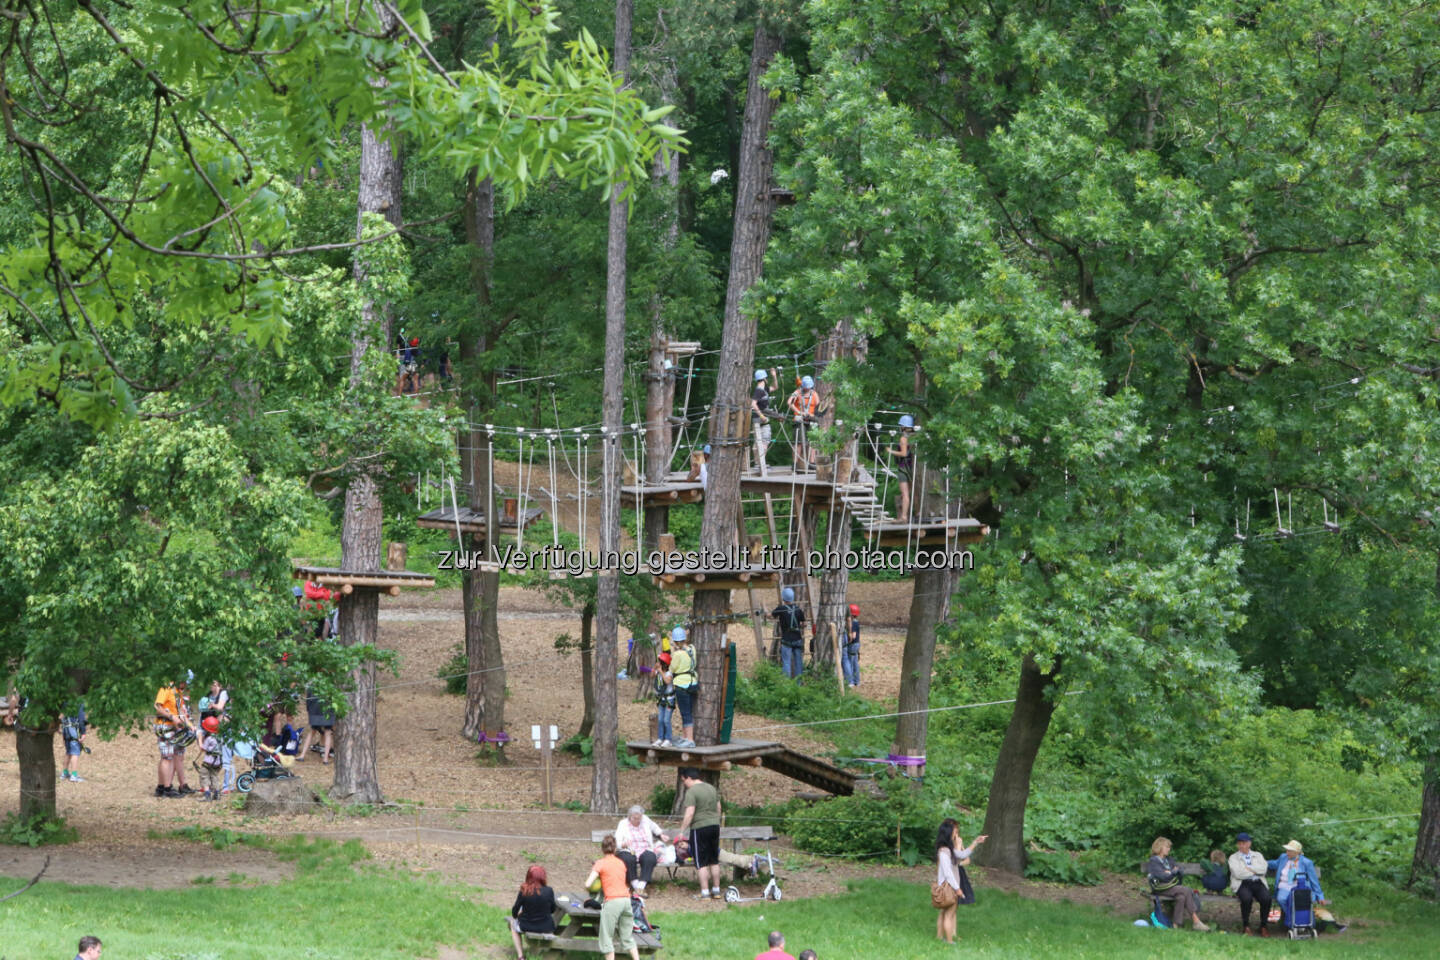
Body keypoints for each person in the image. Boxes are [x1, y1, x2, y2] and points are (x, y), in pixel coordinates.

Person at [585, 835, 640, 960]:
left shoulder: (600, 863)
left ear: (602, 849)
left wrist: (595, 884)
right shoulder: (621, 863)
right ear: (615, 849)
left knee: (606, 937)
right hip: (626, 900)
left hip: (613, 901)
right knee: (627, 937)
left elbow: (587, 884)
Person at [934, 818, 985, 943]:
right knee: (949, 914)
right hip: (948, 887)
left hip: (948, 886)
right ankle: (949, 941)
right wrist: (957, 889)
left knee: (944, 913)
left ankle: (940, 938)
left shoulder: (947, 850)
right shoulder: (944, 852)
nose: (956, 833)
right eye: (954, 831)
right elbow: (948, 874)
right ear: (948, 833)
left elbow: (962, 856)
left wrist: (976, 842)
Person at [677, 767, 722, 900]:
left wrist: (682, 831)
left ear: (689, 778)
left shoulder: (692, 792)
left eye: (684, 780)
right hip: (714, 826)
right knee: (714, 860)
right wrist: (715, 820)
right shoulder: (711, 788)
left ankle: (705, 892)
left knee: (701, 862)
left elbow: (690, 813)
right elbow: (718, 807)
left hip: (700, 828)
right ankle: (717, 890)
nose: (684, 783)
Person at [1146, 836, 1209, 931]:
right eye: (1166, 847)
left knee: (1182, 897)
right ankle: (1196, 921)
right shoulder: (1154, 860)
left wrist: (1170, 872)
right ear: (1159, 847)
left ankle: (1175, 925)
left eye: (1169, 847)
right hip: (1160, 888)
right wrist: (1171, 872)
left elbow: (1178, 872)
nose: (1169, 849)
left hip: (1172, 887)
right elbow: (1162, 877)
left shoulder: (1169, 860)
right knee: (1186, 890)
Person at [1268, 839, 1325, 930]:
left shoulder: (1306, 862)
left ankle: (1297, 922)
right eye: (1287, 850)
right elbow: (1274, 864)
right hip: (1285, 885)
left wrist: (1320, 896)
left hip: (1299, 887)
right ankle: (1296, 920)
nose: (1287, 852)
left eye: (1290, 851)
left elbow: (1314, 880)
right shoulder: (1283, 857)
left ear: (1297, 852)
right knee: (1281, 898)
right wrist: (1260, 862)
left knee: (1298, 901)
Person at [154, 679, 195, 798]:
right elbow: (158, 706)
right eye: (184, 682)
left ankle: (161, 787)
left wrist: (190, 726)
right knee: (167, 757)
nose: (185, 685)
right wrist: (172, 717)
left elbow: (181, 712)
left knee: (171, 756)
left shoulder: (178, 693)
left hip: (174, 727)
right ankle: (167, 788)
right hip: (165, 726)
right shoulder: (165, 688)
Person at [614, 805, 667, 896]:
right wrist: (623, 844)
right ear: (629, 816)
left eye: (639, 818)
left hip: (644, 848)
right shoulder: (623, 824)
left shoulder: (645, 820)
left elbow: (654, 827)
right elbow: (617, 841)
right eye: (635, 818)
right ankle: (637, 886)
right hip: (629, 849)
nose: (637, 820)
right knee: (629, 859)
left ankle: (640, 887)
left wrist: (661, 834)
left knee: (650, 858)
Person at [507, 864, 556, 960]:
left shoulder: (524, 890)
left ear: (528, 877)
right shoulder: (549, 891)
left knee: (512, 924)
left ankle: (521, 956)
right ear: (543, 877)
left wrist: (521, 913)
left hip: (527, 925)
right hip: (546, 927)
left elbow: (514, 912)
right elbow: (552, 910)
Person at [1228, 832, 1272, 936]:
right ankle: (1246, 926)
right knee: (1246, 899)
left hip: (1258, 882)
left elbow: (1263, 869)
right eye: (1239, 843)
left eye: (1244, 843)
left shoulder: (1258, 855)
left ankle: (1263, 926)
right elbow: (1238, 874)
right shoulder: (1233, 858)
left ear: (1249, 844)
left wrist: (1249, 869)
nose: (1241, 845)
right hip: (1242, 883)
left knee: (1267, 899)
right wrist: (1255, 871)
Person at [665, 626, 697, 747]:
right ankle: (685, 737)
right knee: (688, 711)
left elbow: (672, 668)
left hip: (681, 685)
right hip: (693, 683)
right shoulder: (692, 649)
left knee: (685, 713)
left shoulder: (678, 654)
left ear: (676, 641)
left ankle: (689, 739)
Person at [771, 587, 806, 680]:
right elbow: (804, 624)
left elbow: (770, 616)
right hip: (797, 639)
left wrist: (765, 611)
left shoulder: (781, 609)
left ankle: (787, 685)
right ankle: (798, 684)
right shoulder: (798, 609)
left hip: (786, 640)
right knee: (798, 663)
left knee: (786, 662)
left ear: (783, 598)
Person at [787, 375, 820, 469]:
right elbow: (789, 402)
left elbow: (819, 406)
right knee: (799, 442)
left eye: (809, 387)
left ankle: (812, 462)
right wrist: (799, 412)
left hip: (811, 419)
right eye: (806, 387)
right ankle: (795, 464)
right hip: (799, 419)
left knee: (813, 441)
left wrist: (814, 415)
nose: (807, 389)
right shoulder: (797, 392)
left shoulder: (814, 394)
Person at [887, 415, 916, 522]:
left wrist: (891, 451)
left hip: (903, 468)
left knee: (905, 494)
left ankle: (903, 516)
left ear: (904, 427)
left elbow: (903, 453)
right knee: (907, 494)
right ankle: (904, 515)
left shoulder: (903, 438)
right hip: (911, 468)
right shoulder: (914, 437)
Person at [298, 690, 335, 764]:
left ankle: (302, 755)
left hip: (316, 709)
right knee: (327, 732)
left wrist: (309, 710)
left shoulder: (313, 683)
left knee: (312, 731)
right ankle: (325, 759)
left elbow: (309, 698)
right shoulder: (332, 682)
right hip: (327, 709)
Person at [751, 368, 776, 470]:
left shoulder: (764, 390)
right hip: (760, 419)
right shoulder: (759, 390)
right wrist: (761, 416)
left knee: (758, 442)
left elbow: (775, 387)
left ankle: (758, 464)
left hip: (759, 419)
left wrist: (774, 376)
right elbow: (753, 404)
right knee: (764, 441)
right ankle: (761, 464)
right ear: (764, 379)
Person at [197, 717, 224, 801]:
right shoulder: (220, 738)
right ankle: (217, 794)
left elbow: (203, 748)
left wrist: (200, 739)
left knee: (204, 775)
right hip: (218, 761)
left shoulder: (209, 739)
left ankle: (207, 795)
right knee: (214, 776)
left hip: (209, 762)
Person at [652, 653, 676, 748]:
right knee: (660, 720)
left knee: (666, 720)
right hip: (661, 699)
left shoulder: (669, 673)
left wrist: (660, 671)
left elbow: (667, 681)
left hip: (669, 700)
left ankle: (668, 739)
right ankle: (660, 738)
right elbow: (651, 675)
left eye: (660, 663)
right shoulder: (658, 672)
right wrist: (655, 669)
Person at [60, 701, 87, 783]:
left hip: (65, 729)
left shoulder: (64, 702)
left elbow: (61, 717)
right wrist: (83, 733)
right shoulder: (79, 703)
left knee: (68, 752)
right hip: (73, 730)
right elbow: (81, 719)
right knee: (75, 752)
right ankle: (74, 775)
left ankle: (64, 773)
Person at [842, 603, 861, 688]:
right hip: (857, 645)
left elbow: (853, 635)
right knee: (855, 663)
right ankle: (857, 681)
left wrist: (848, 639)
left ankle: (851, 681)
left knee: (850, 662)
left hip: (852, 645)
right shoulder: (857, 622)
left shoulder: (853, 623)